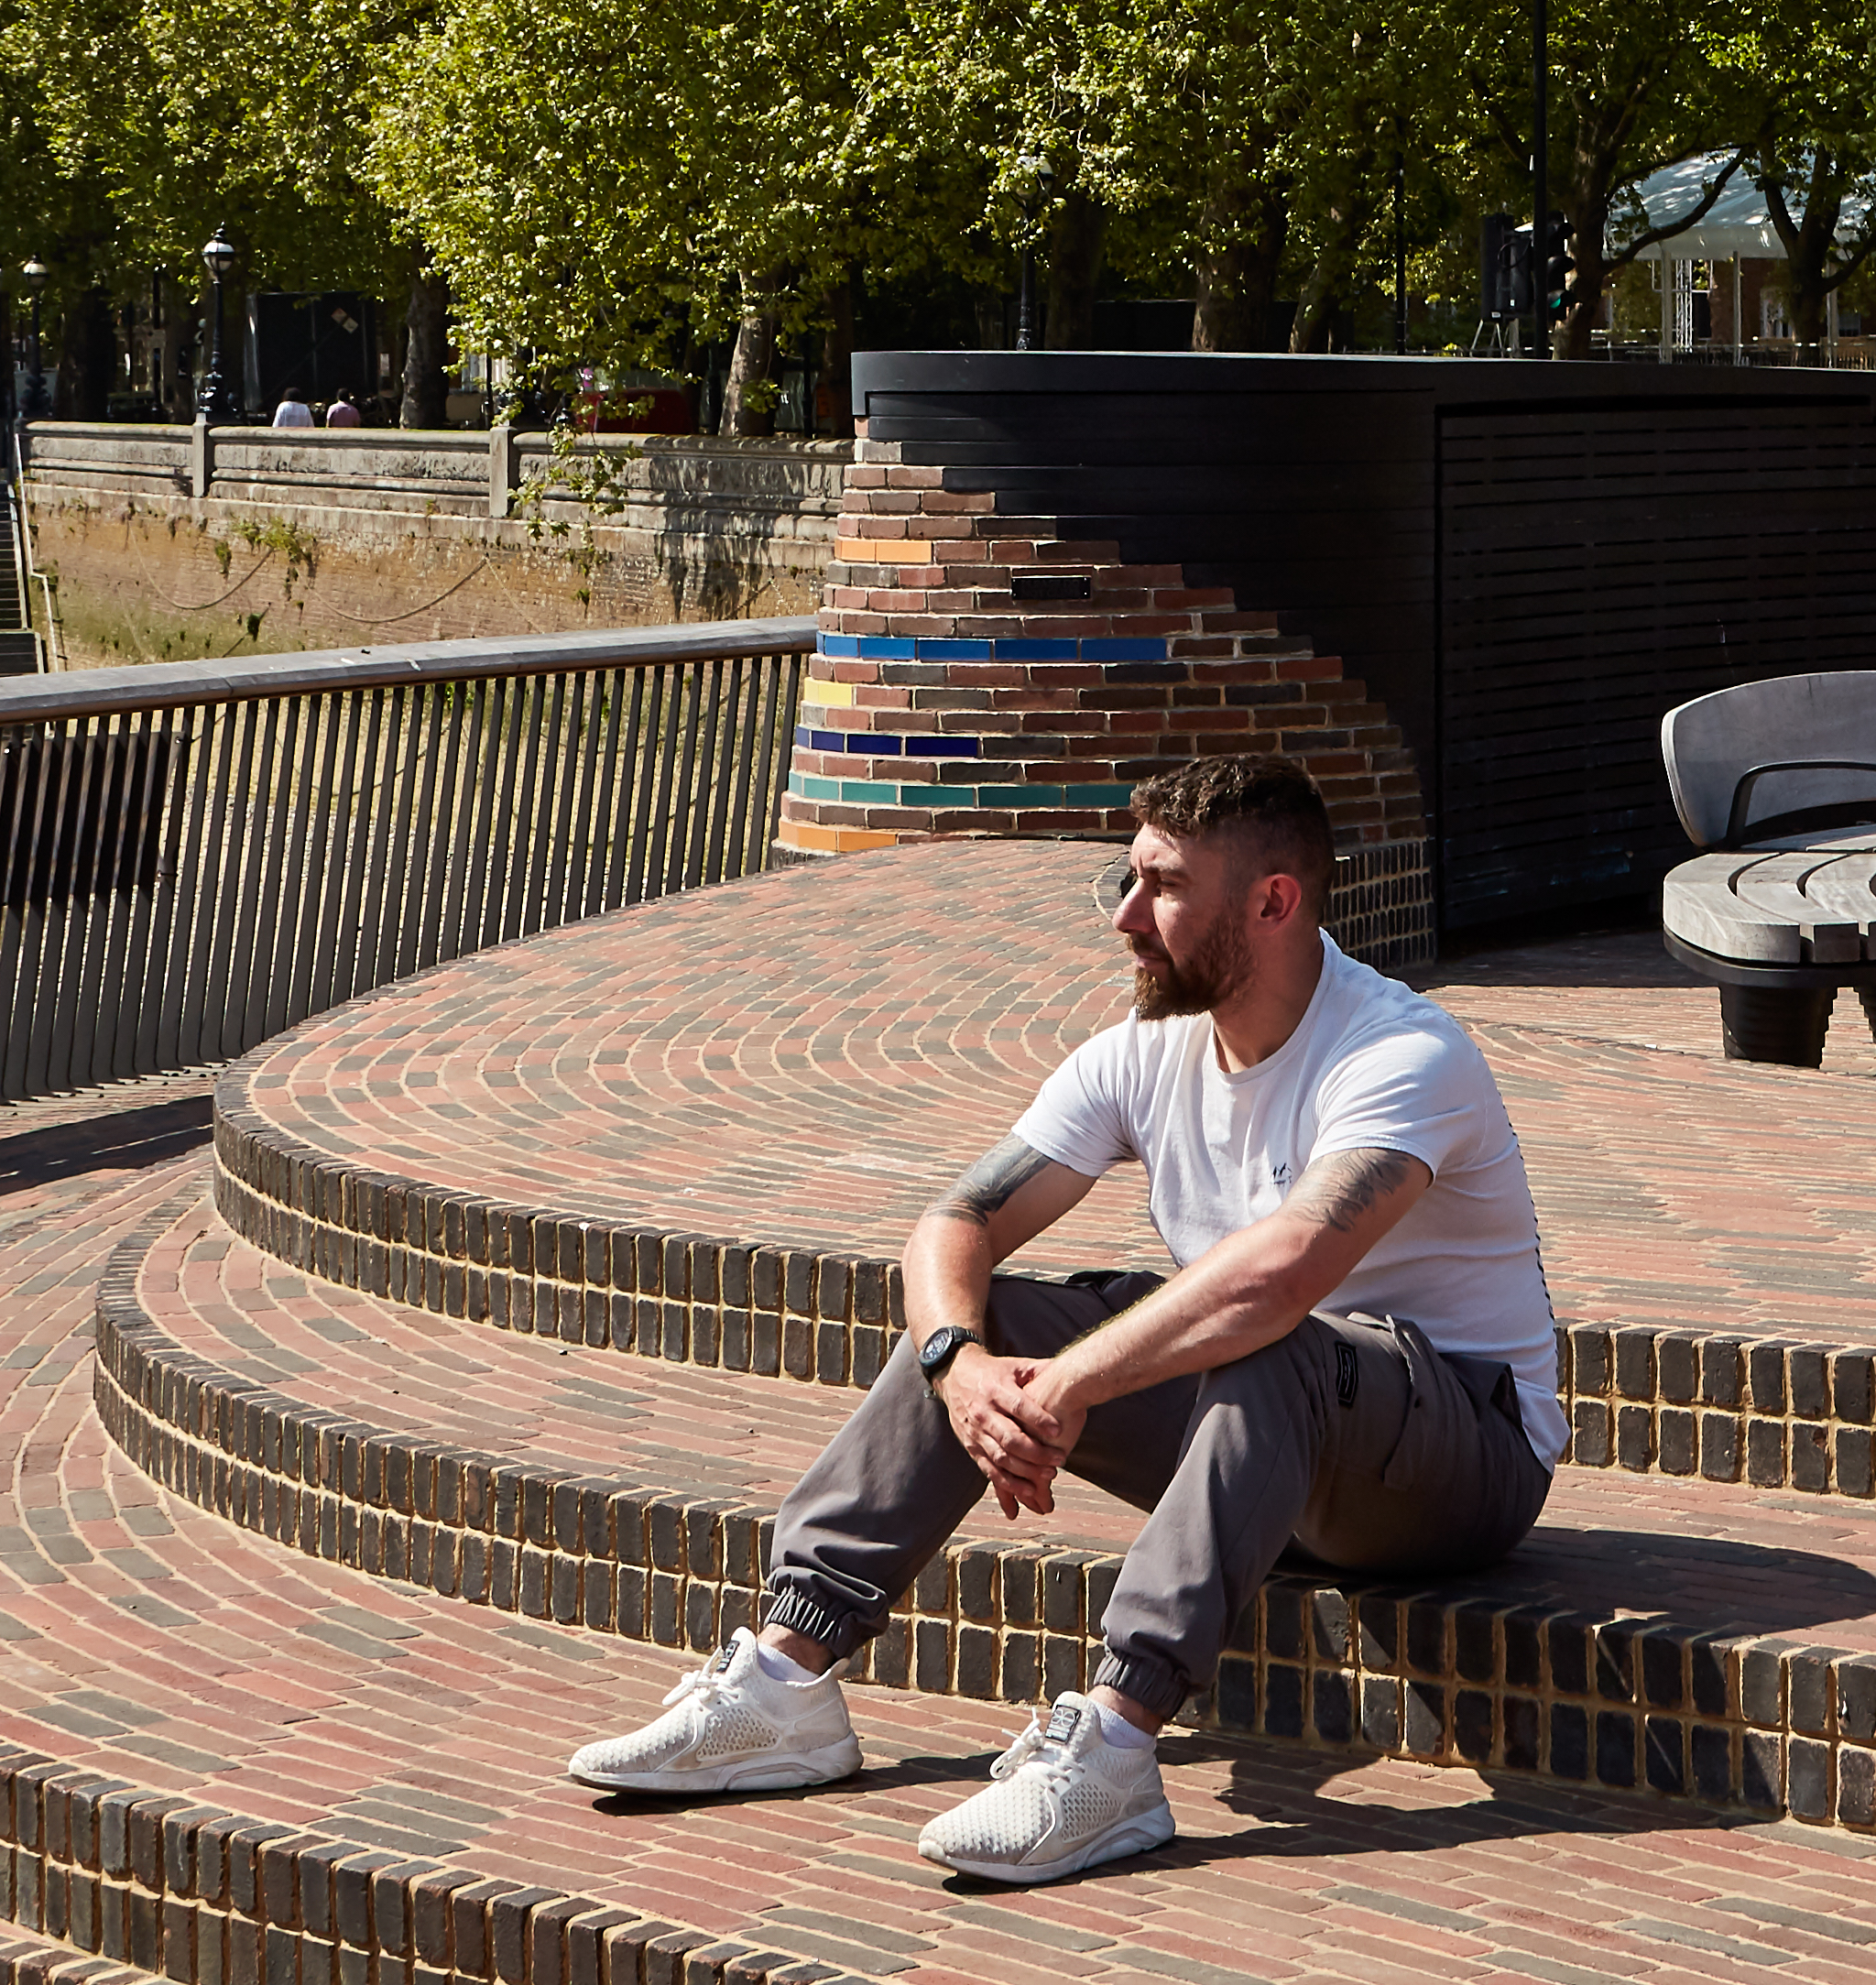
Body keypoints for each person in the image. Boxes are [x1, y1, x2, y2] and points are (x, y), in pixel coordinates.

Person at [560, 750, 1560, 1888]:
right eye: (1123, 881)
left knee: (1263, 1333)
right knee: (996, 1315)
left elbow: (1279, 1276)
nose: (1127, 916)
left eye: (1163, 886)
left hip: (1458, 1457)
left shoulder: (1400, 1052)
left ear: (1273, 900)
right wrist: (962, 1366)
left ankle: (1120, 1745)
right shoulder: (1141, 1050)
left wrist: (1070, 1386)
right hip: (1269, 1441)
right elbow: (953, 1226)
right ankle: (787, 1681)